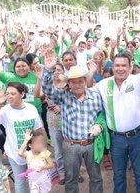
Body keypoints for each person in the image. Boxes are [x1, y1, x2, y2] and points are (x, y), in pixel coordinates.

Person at [90, 28, 140, 193]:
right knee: (119, 176)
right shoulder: (104, 85)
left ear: (130, 66)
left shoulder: (138, 81)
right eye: (117, 65)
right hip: (116, 139)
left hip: (138, 136)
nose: (120, 69)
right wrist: (91, 72)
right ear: (113, 67)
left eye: (123, 66)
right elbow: (85, 90)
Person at [42, 50, 105, 193]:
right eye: (73, 82)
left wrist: (99, 125)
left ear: (85, 81)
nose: (77, 85)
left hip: (91, 144)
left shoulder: (96, 96)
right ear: (68, 83)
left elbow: (102, 115)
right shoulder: (63, 96)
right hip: (70, 145)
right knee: (71, 180)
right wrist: (48, 70)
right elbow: (47, 89)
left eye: (80, 81)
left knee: (96, 178)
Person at [0, 82, 44, 193]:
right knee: (20, 181)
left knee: (35, 180)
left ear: (22, 94)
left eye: (13, 94)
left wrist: (43, 148)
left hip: (33, 152)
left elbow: (39, 130)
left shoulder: (31, 108)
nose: (9, 96)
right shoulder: (5, 110)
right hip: (15, 153)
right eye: (7, 93)